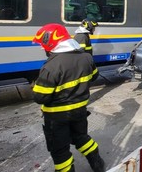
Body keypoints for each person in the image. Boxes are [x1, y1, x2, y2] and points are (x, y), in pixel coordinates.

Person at [32, 23, 105, 172]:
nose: (42, 48)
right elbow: (94, 76)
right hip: (79, 111)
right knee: (81, 137)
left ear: (51, 42)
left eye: (42, 44)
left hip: (56, 117)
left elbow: (40, 97)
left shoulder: (50, 67)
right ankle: (97, 163)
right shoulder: (86, 58)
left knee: (60, 150)